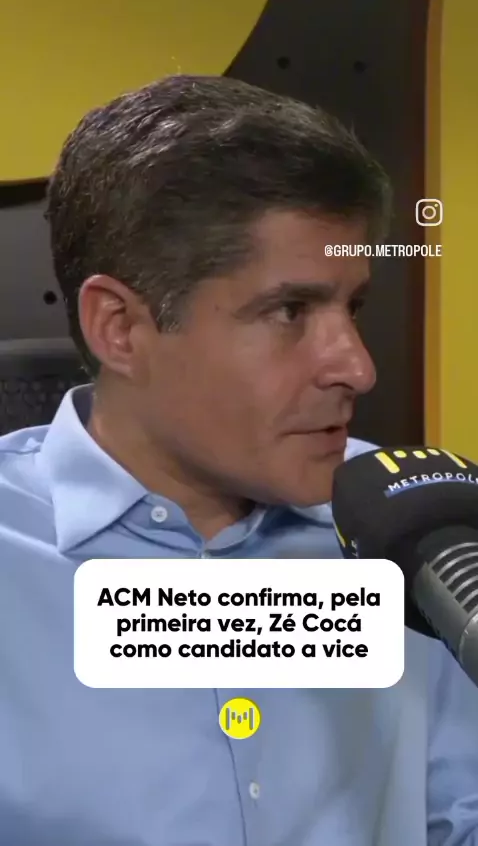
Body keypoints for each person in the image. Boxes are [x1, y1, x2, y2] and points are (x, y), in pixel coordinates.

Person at [0, 75, 476, 846]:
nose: (357, 368)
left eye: (352, 306)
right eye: (289, 310)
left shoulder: (420, 529)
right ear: (119, 327)